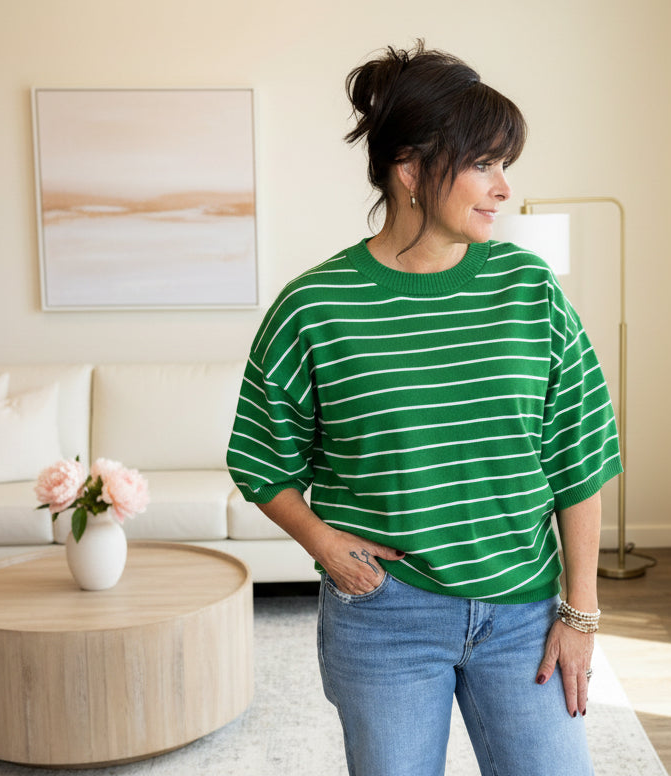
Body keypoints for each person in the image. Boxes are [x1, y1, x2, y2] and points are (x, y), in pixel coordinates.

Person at [226, 41, 622, 776]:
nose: (504, 188)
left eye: (507, 165)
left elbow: (580, 451)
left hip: (524, 614)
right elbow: (258, 455)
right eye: (485, 164)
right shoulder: (318, 305)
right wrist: (321, 541)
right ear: (410, 169)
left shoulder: (527, 287)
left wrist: (581, 612)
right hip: (387, 617)